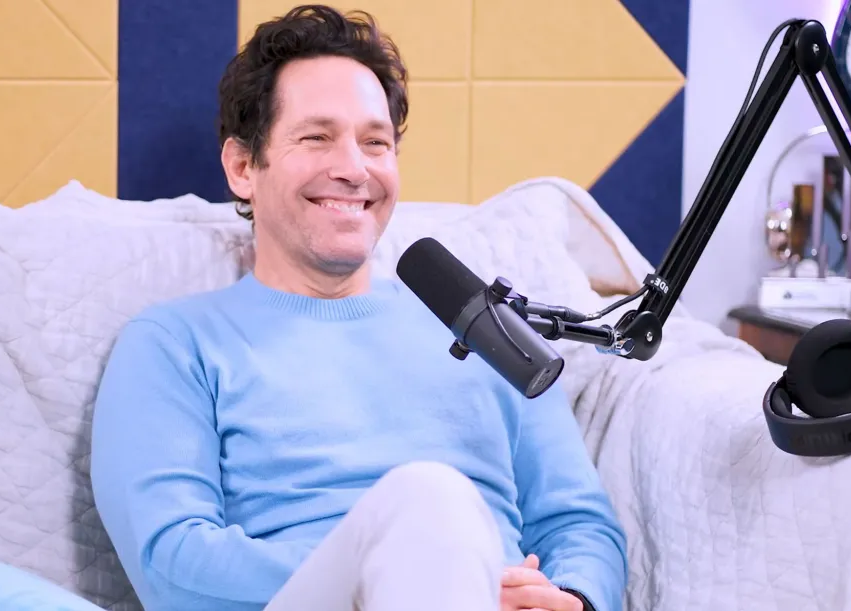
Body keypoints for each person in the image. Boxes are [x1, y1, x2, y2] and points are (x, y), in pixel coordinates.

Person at [89, 5, 629, 611]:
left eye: (376, 143)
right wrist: (415, 569)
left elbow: (579, 525)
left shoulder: (483, 329)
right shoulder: (175, 343)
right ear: (243, 167)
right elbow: (174, 562)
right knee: (429, 500)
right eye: (317, 137)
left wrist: (572, 600)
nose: (353, 169)